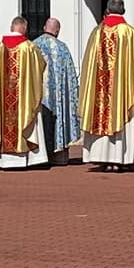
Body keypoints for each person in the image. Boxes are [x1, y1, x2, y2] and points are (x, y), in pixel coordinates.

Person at [78, 0, 134, 170]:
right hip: (121, 92)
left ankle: (101, 156)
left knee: (101, 113)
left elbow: (88, 63)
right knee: (120, 114)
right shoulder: (129, 32)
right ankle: (119, 158)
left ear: (107, 10)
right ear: (123, 10)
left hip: (99, 92)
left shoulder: (97, 32)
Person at [0, 17, 50, 169]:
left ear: (12, 27)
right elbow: (40, 67)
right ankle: (28, 159)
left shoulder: (0, 49)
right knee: (27, 116)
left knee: (4, 119)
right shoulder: (29, 48)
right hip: (24, 101)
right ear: (24, 28)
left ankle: (1, 160)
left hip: (3, 102)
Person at [33, 18, 80, 162]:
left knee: (40, 123)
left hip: (39, 96)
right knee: (57, 119)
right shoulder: (62, 48)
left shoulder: (33, 45)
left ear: (44, 27)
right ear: (58, 31)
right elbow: (71, 78)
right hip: (57, 99)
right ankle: (58, 156)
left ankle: (39, 156)